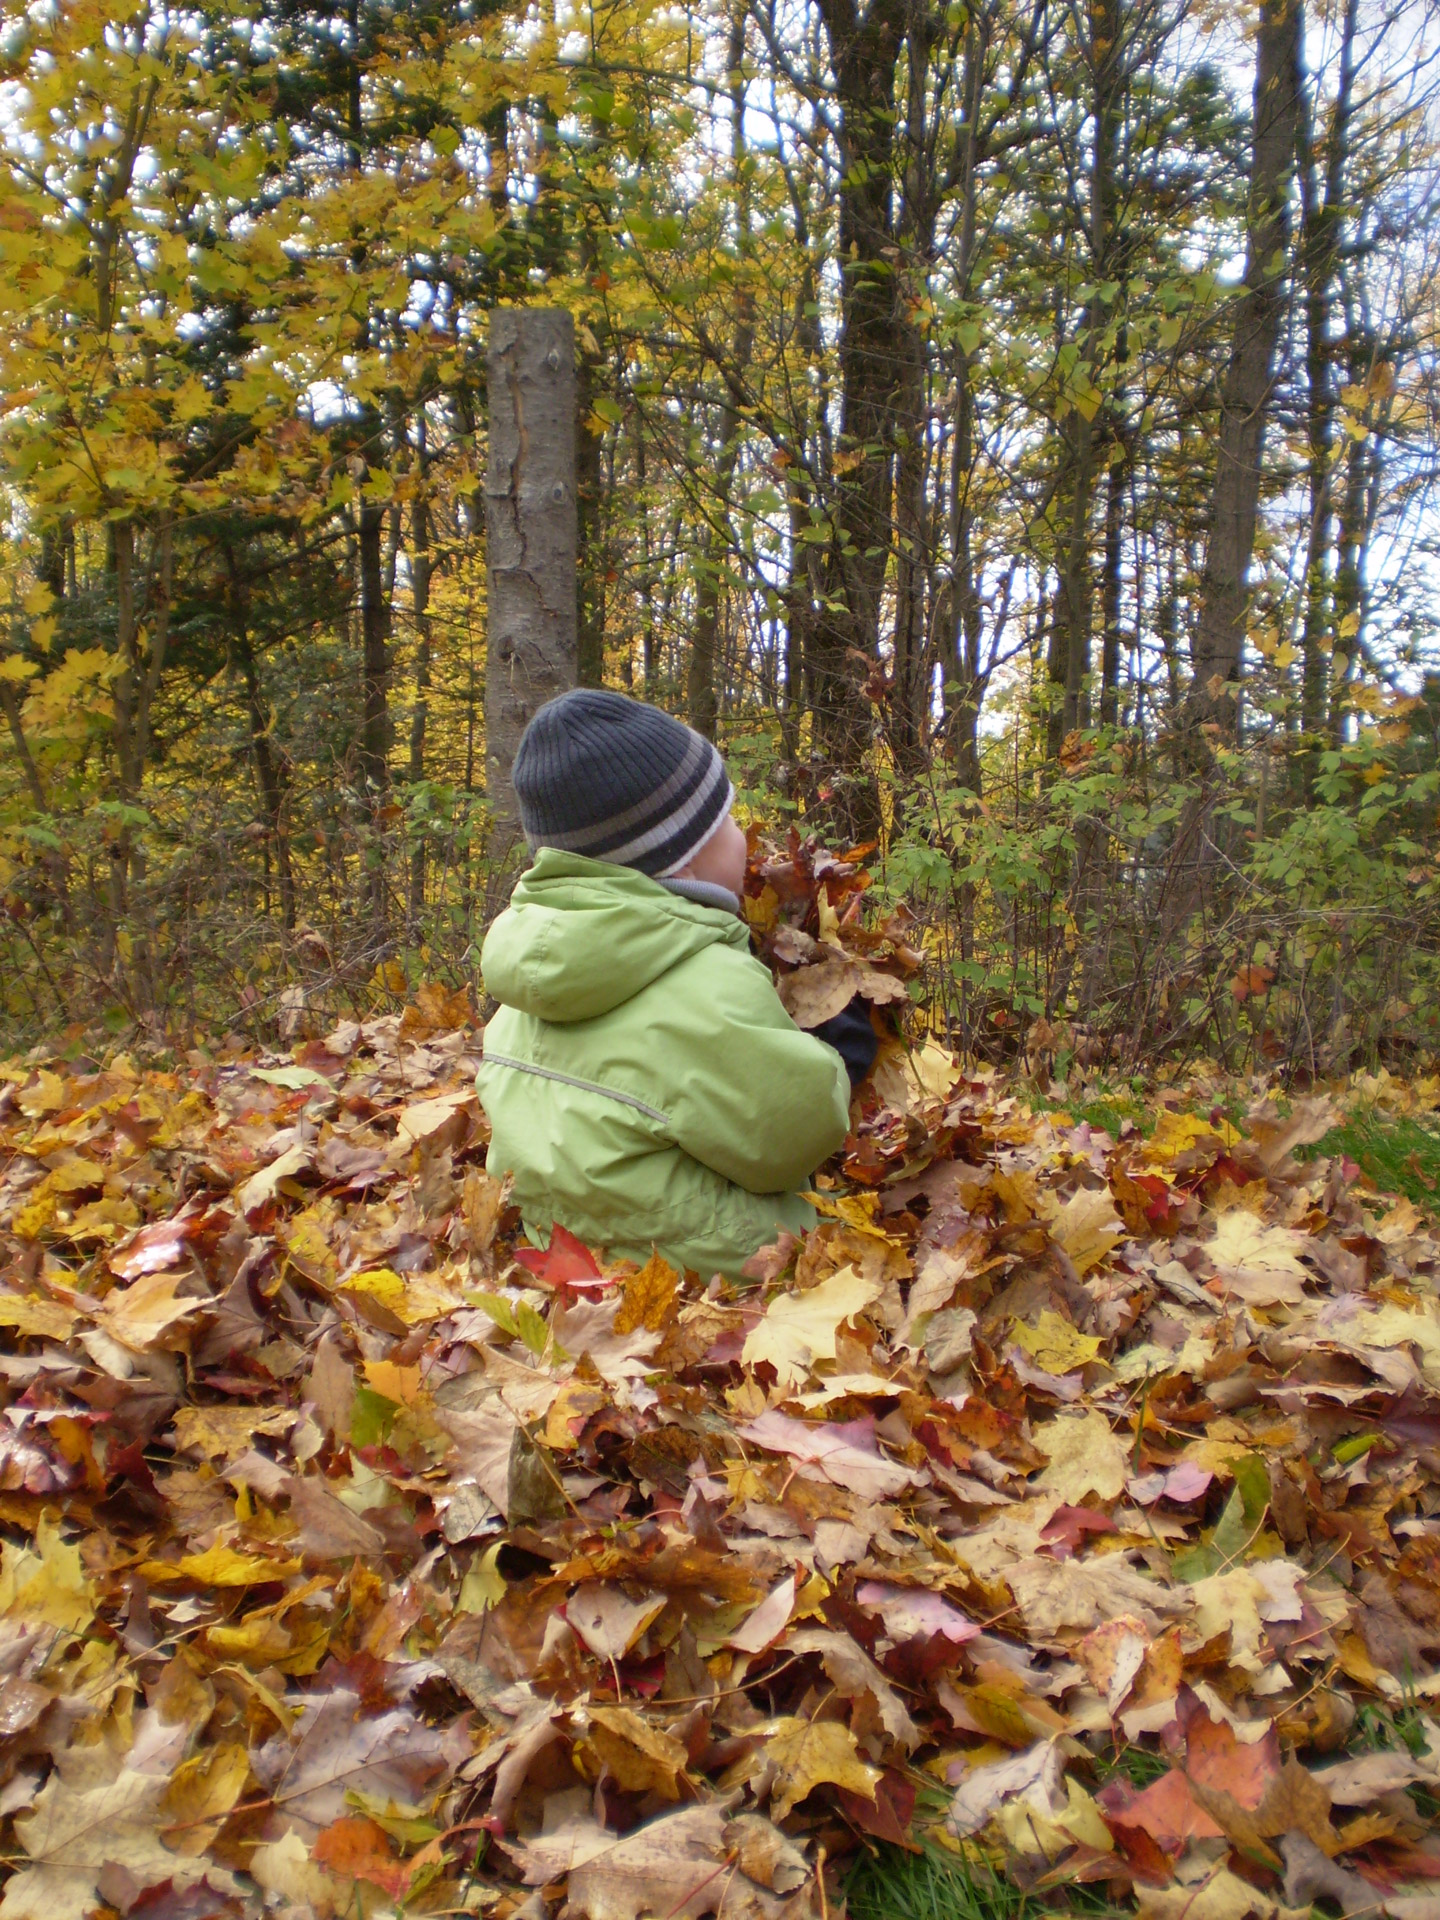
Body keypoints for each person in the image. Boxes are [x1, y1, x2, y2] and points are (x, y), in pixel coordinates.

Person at [475, 690, 876, 1278]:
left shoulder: (525, 971)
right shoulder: (703, 977)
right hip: (680, 1259)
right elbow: (790, 1141)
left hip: (555, 1236)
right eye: (729, 819)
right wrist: (838, 1055)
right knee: (842, 1234)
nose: (744, 836)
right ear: (682, 859)